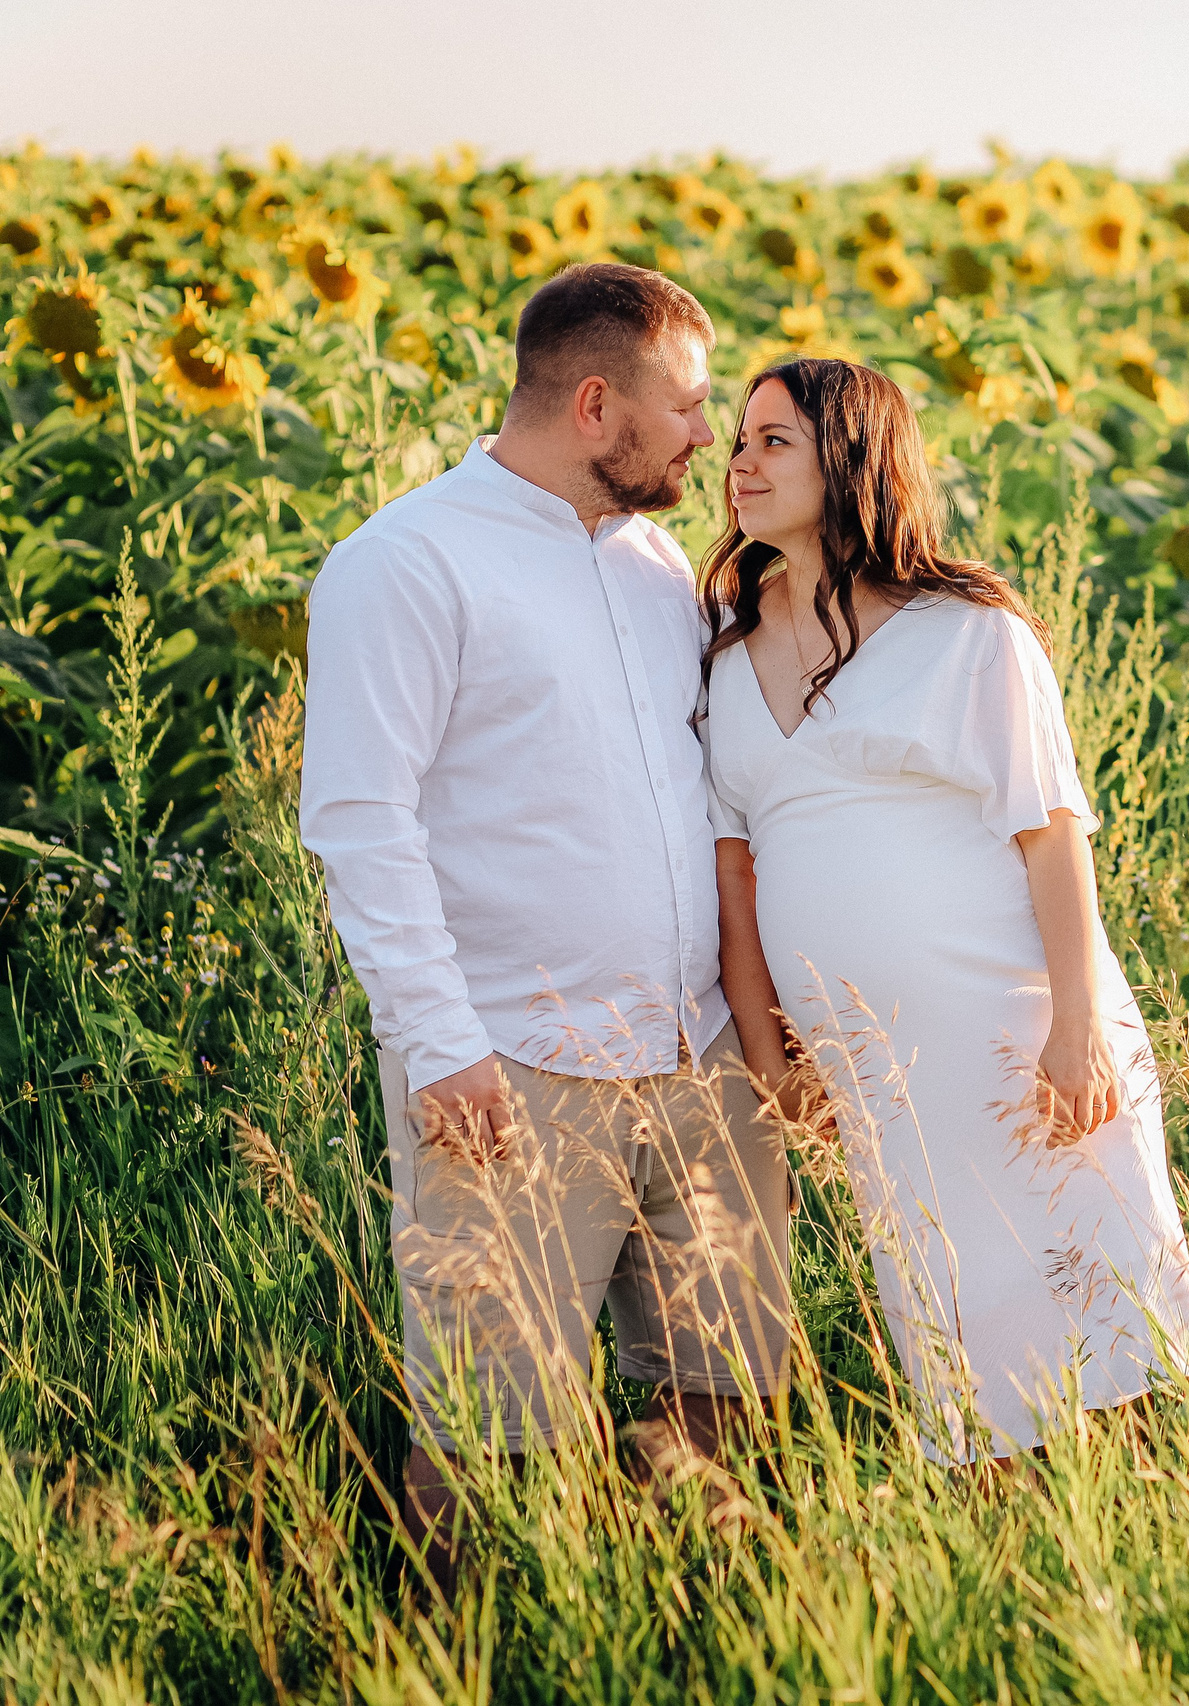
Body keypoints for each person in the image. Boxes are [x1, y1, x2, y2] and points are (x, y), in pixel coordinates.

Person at [300, 262, 793, 1584]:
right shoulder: (405, 562)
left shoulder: (656, 568)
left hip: (698, 1056)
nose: (709, 435)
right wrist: (437, 1040)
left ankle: (671, 1624)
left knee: (722, 1379)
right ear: (594, 404)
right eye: (687, 405)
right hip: (507, 1063)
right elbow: (361, 815)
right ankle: (449, 1652)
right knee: (485, 1423)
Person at [699, 357, 1189, 1465]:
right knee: (958, 1326)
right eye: (737, 440)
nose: (739, 464)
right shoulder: (721, 639)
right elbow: (736, 870)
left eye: (773, 442)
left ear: (848, 460)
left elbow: (1052, 835)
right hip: (880, 1070)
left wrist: (1076, 1028)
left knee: (1133, 1300)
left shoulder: (968, 630)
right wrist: (768, 1051)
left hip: (1018, 1036)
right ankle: (1032, 1580)